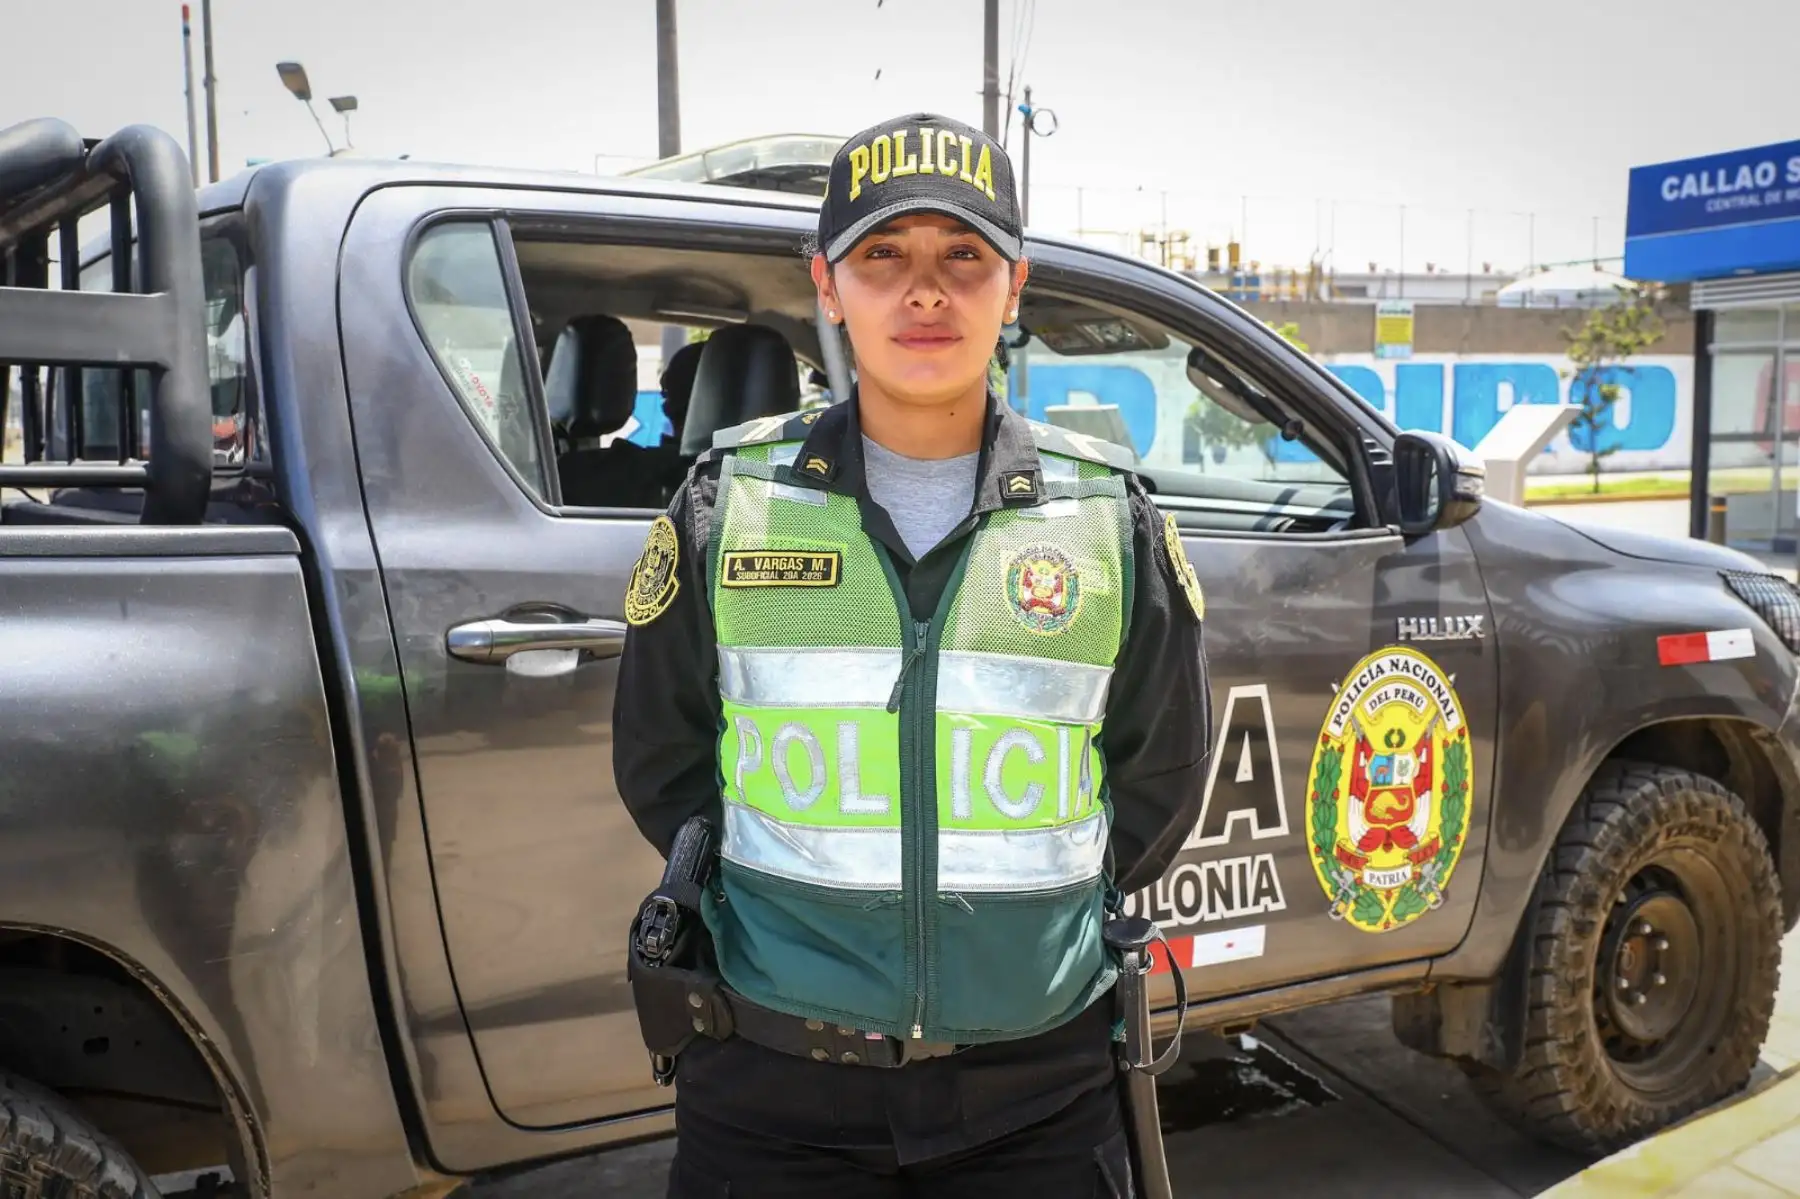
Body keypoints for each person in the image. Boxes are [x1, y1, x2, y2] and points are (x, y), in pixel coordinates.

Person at [613, 111, 1211, 1199]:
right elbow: (664, 764)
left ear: (1014, 286)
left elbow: (1157, 775)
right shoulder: (730, 503)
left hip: (1040, 1097)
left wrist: (1012, 950)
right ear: (828, 285)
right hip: (774, 1094)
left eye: (963, 257)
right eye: (884, 255)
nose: (925, 290)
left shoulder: (1104, 517)